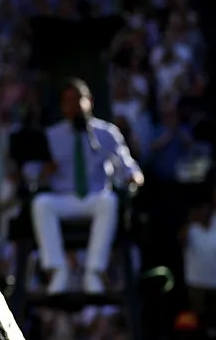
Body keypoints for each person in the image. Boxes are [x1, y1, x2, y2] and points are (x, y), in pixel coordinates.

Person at [30, 78, 144, 294]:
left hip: (95, 199)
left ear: (89, 101)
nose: (72, 106)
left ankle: (94, 272)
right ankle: (58, 269)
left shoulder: (107, 133)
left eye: (77, 100)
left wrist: (135, 179)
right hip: (63, 199)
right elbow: (32, 175)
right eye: (67, 101)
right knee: (41, 203)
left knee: (109, 201)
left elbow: (128, 168)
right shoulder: (51, 135)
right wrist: (45, 170)